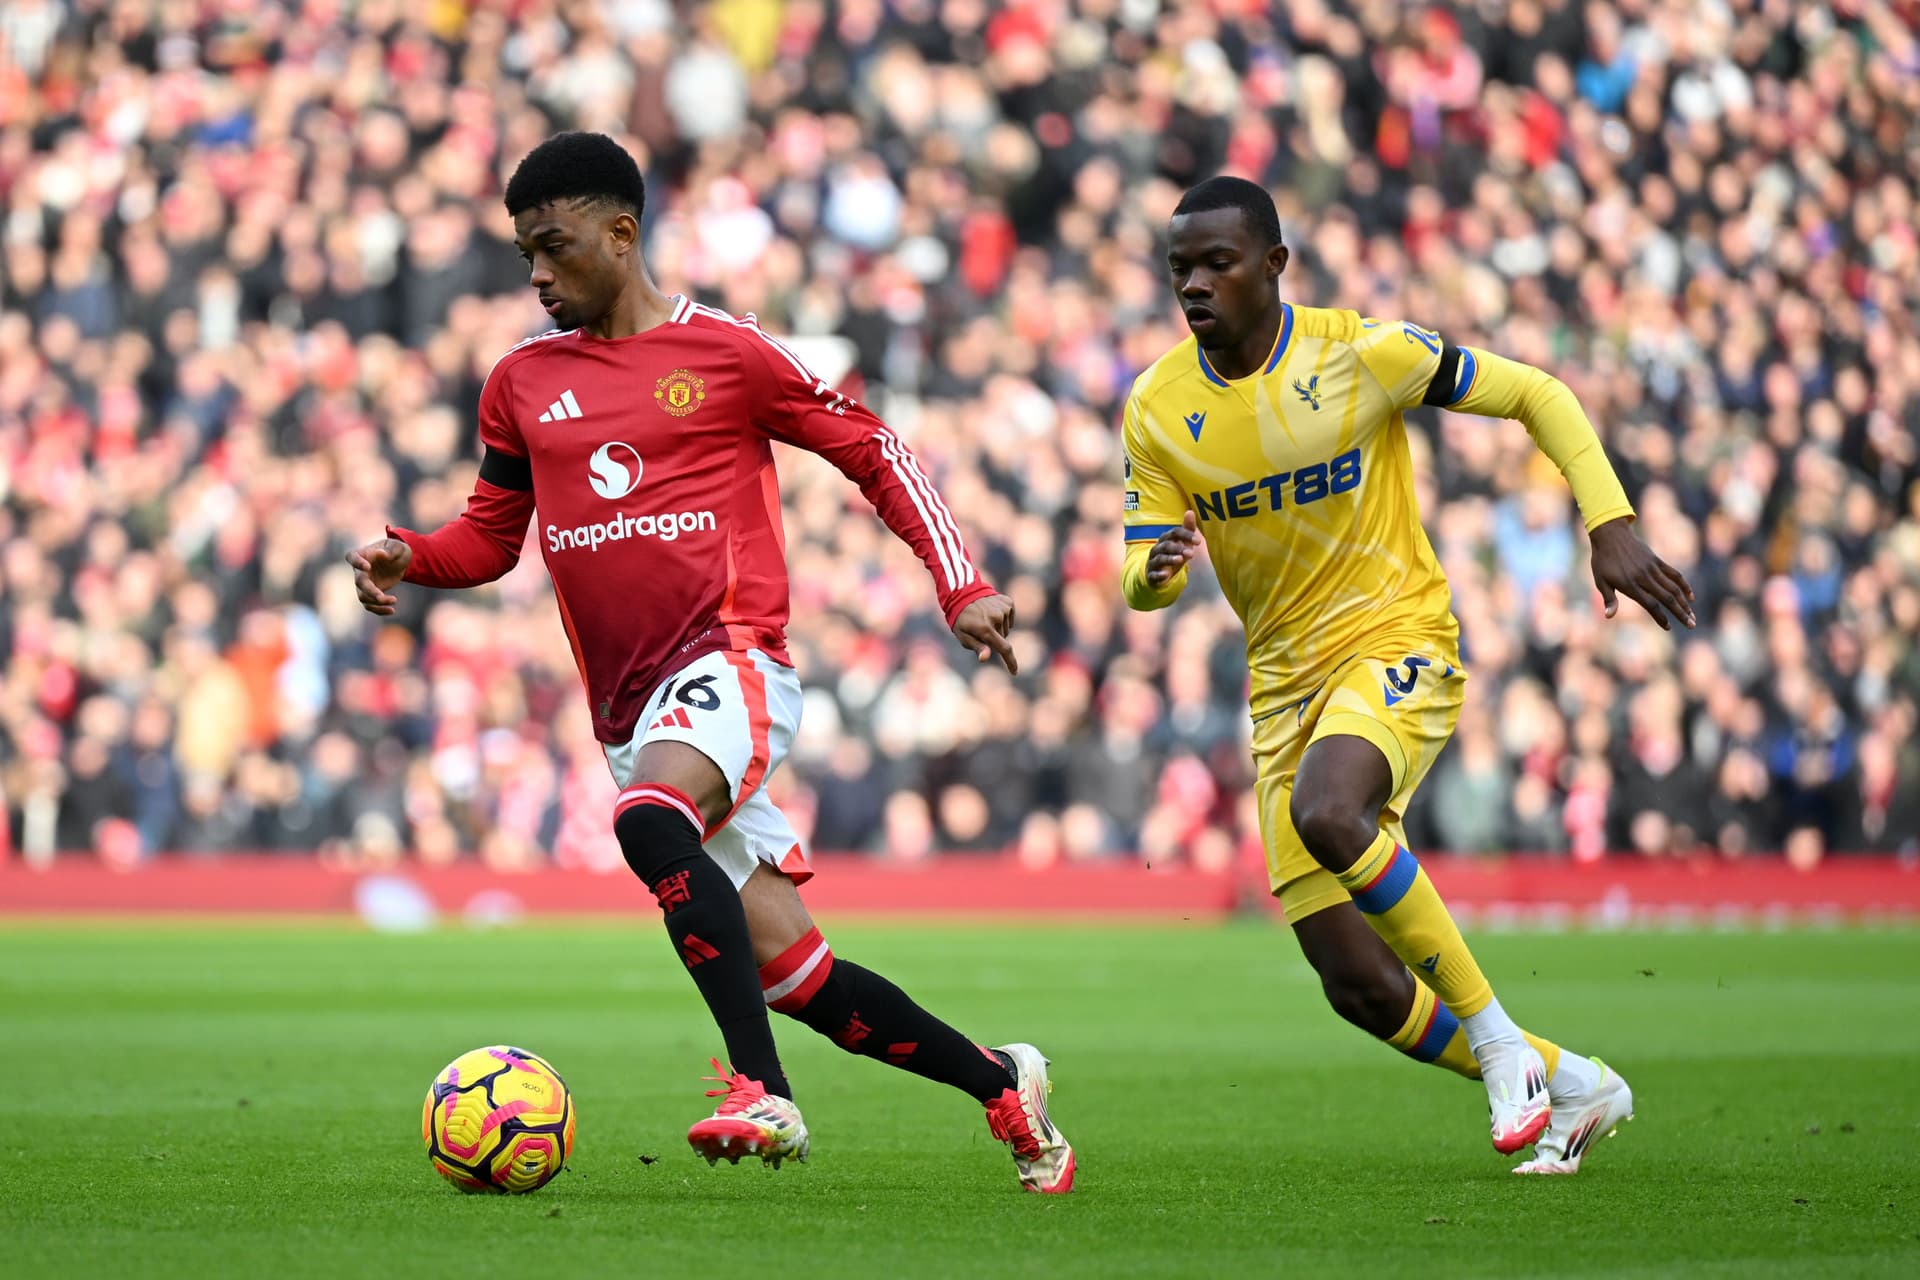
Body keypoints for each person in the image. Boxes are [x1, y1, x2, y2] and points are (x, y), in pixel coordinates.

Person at [348, 132, 1073, 1194]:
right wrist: (411, 555)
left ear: (622, 232)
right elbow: (492, 537)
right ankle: (1006, 1087)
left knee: (649, 820)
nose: (537, 273)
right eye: (523, 257)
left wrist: (959, 582)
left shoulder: (726, 353)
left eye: (552, 247)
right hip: (631, 714)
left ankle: (759, 1090)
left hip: (731, 662)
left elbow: (876, 447)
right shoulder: (519, 382)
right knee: (803, 977)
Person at [1121, 176, 1692, 1175]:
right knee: (1361, 986)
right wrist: (1153, 571)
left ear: (1274, 265)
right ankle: (1574, 1081)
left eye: (1218, 263)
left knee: (1332, 812)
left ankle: (1502, 1038)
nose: (1197, 285)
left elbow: (1537, 392)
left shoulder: (1359, 353)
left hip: (1398, 641)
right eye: (1181, 269)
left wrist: (1611, 520)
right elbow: (1137, 574)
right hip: (1282, 687)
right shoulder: (1160, 407)